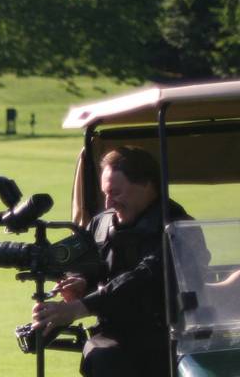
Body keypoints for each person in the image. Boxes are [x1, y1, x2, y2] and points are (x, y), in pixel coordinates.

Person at [31, 146, 202, 376]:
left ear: (147, 185)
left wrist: (80, 308)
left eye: (116, 193)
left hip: (166, 336)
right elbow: (90, 266)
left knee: (107, 358)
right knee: (101, 354)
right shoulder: (101, 223)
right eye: (105, 194)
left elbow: (143, 276)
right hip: (113, 331)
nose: (109, 203)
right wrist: (80, 282)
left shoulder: (177, 227)